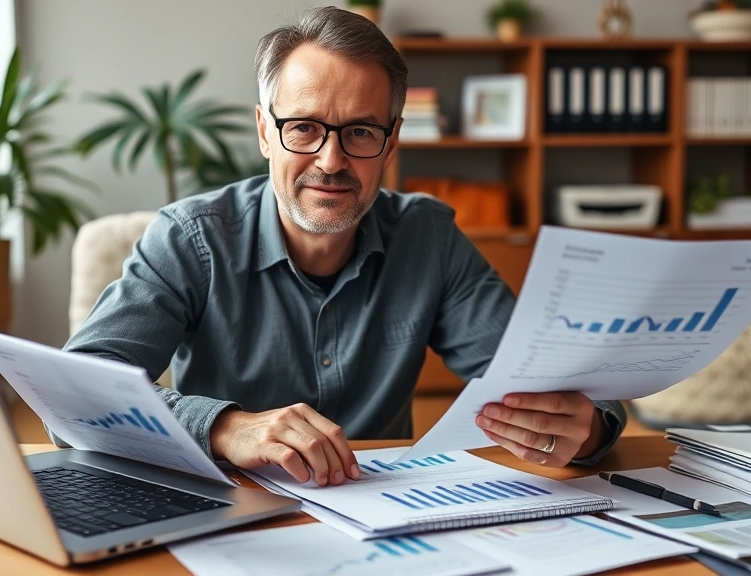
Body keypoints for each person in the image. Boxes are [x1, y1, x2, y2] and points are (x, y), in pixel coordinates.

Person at [63, 7, 626, 487]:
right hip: (232, 507)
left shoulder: (428, 238)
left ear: (391, 142)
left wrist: (585, 429)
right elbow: (74, 393)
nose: (331, 162)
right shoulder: (191, 238)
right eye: (304, 127)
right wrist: (228, 427)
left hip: (389, 513)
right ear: (265, 132)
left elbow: (549, 386)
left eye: (359, 132)